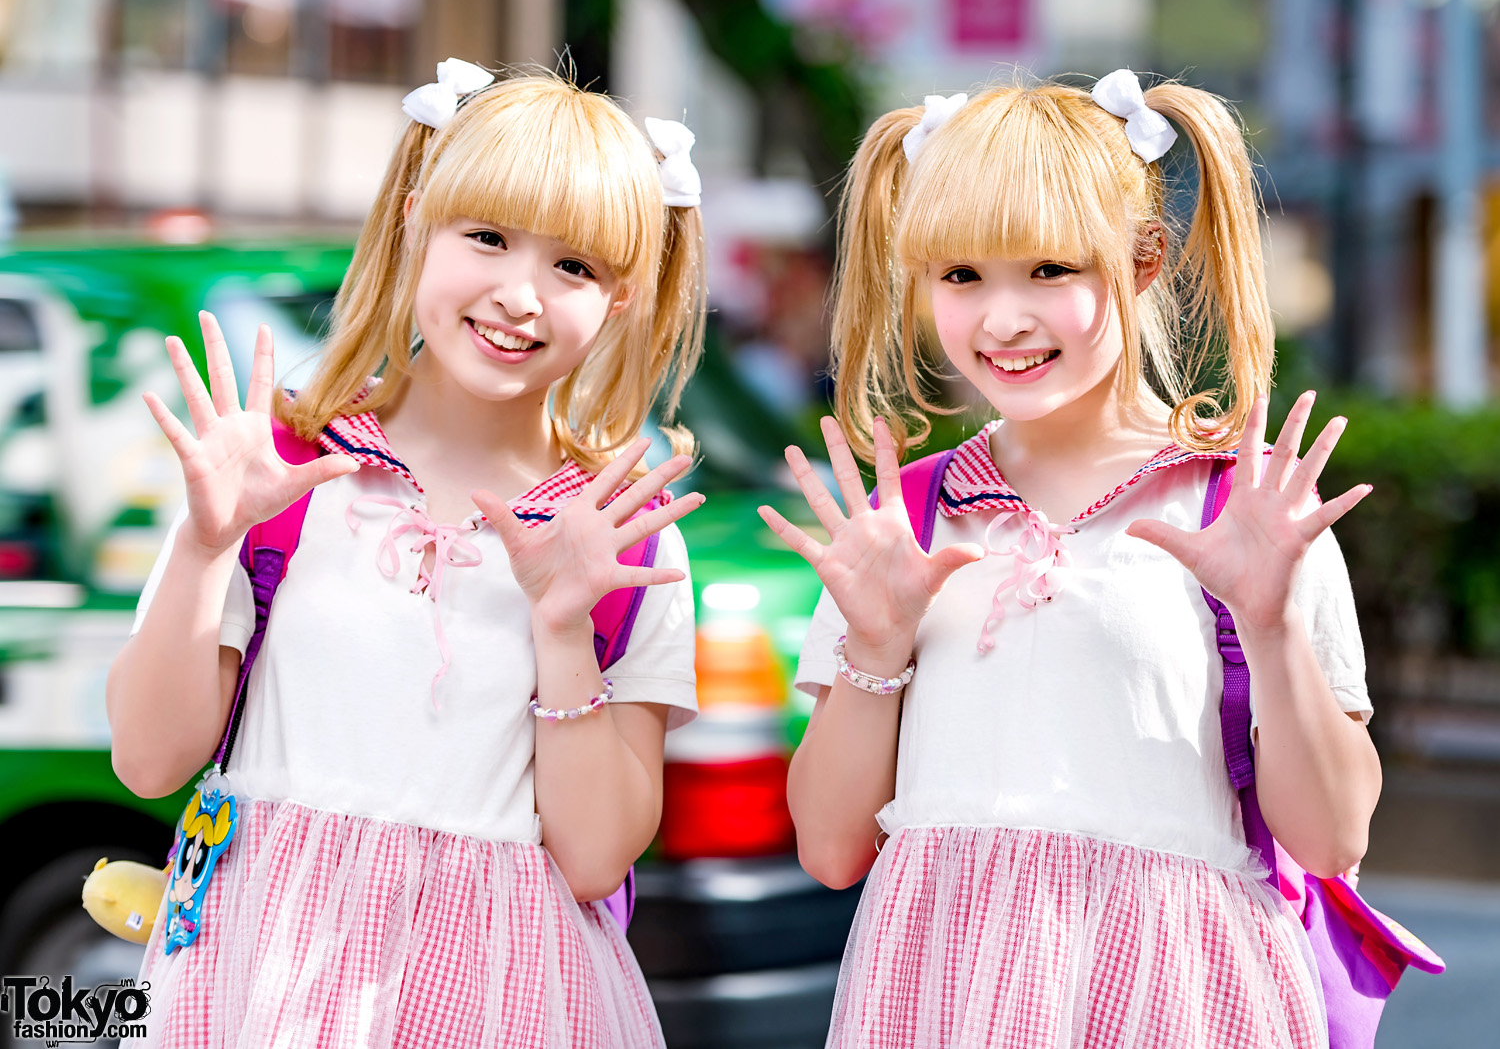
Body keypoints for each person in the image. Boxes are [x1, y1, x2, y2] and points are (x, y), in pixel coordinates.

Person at [760, 71, 1380, 1048]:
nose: (1003, 319)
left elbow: (1333, 837)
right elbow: (833, 849)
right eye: (961, 276)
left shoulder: (1243, 509)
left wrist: (1272, 628)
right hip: (938, 989)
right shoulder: (905, 520)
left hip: (1177, 991)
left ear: (1142, 262)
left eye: (1050, 270)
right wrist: (873, 652)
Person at [107, 64, 707, 1048]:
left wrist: (562, 627)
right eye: (487, 238)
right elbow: (149, 759)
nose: (521, 294)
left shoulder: (625, 530)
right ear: (418, 222)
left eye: (575, 267)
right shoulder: (285, 475)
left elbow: (598, 857)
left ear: (624, 298)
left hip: (506, 1001)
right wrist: (208, 544)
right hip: (264, 980)